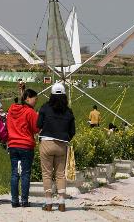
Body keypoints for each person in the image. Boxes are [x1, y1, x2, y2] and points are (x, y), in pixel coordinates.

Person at [38, 83, 76, 212]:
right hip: (62, 145)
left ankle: (48, 203)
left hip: (46, 143)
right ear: (64, 95)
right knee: (60, 175)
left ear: (52, 94)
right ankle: (62, 203)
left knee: (47, 174)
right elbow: (72, 131)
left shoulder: (44, 108)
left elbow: (38, 124)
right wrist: (65, 139)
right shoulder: (68, 111)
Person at [6, 89, 40, 208]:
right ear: (27, 98)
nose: (36, 101)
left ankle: (14, 201)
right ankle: (24, 201)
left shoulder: (11, 110)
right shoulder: (30, 112)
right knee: (25, 173)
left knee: (14, 173)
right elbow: (36, 129)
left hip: (13, 144)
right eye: (35, 99)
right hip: (26, 145)